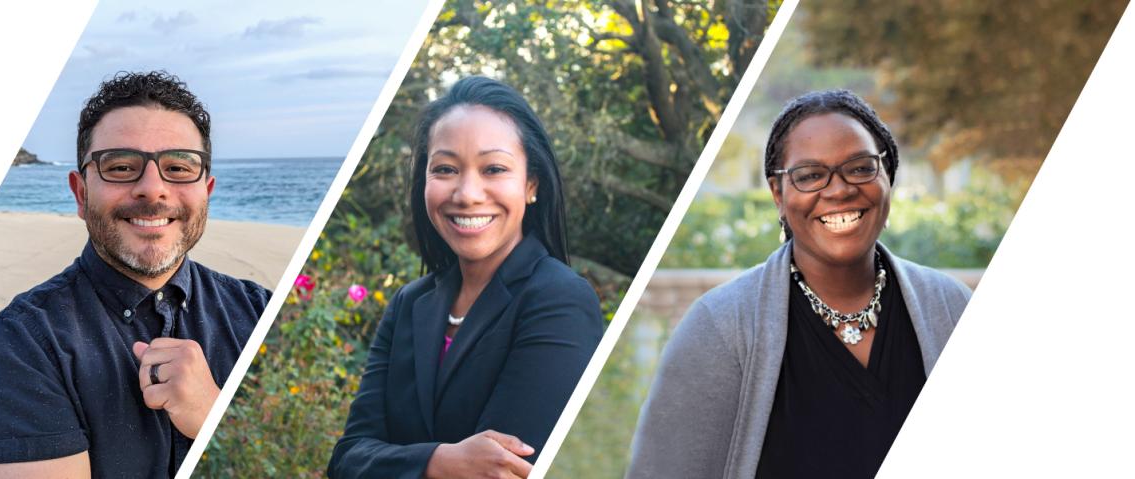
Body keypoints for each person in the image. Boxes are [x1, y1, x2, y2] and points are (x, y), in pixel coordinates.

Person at [627, 90, 972, 478]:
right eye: (810, 176)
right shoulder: (719, 329)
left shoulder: (952, 308)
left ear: (887, 176)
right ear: (778, 194)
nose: (839, 189)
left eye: (860, 168)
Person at [0, 71, 269, 478]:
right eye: (122, 166)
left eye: (178, 167)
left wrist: (211, 416)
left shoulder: (262, 311)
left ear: (207, 193)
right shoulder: (25, 340)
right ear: (81, 193)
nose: (153, 189)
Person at [327, 76, 605, 479]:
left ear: (531, 184)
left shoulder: (560, 300)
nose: (467, 194)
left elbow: (506, 470)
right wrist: (440, 461)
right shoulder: (409, 303)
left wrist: (394, 461)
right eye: (445, 169)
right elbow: (347, 458)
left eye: (493, 169)